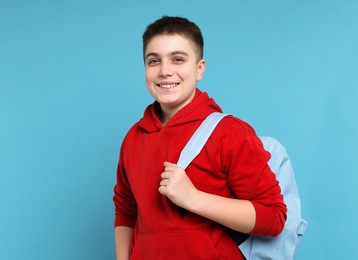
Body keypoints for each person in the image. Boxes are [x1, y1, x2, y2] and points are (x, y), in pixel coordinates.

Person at [113, 16, 287, 260]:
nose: (165, 71)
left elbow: (274, 217)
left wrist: (194, 199)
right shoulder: (134, 137)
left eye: (178, 59)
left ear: (199, 69)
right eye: (154, 61)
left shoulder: (230, 133)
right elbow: (126, 210)